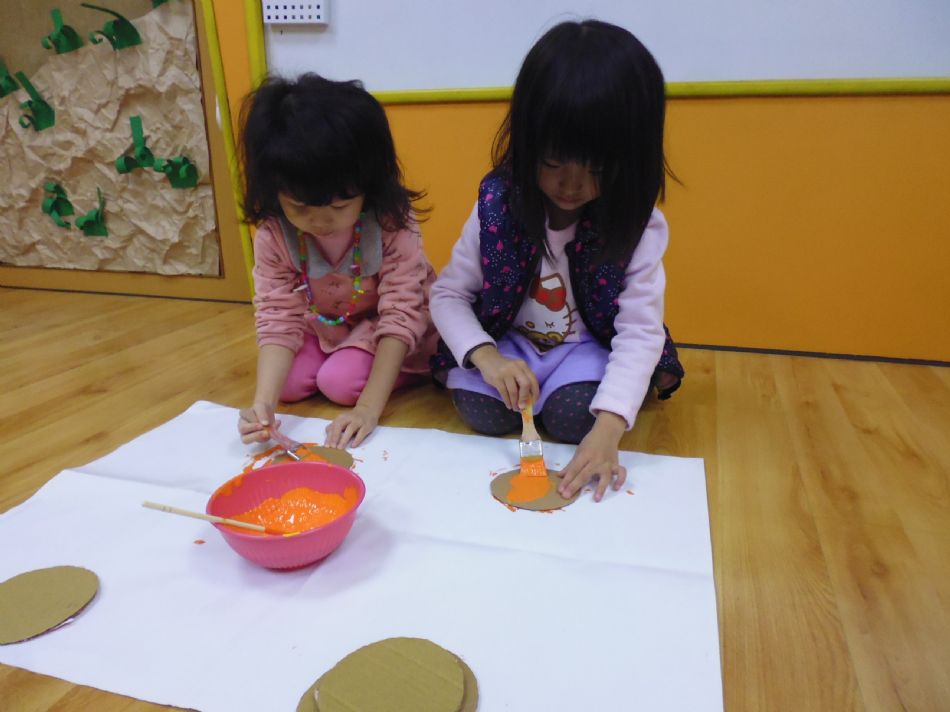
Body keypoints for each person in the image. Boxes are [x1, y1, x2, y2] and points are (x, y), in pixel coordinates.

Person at [430, 20, 684, 502]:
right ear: (525, 143)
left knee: (575, 418)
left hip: (586, 348)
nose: (572, 185)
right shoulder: (498, 204)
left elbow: (640, 331)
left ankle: (579, 402)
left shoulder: (637, 223)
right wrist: (488, 358)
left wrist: (609, 429)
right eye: (552, 162)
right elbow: (448, 295)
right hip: (511, 346)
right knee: (482, 412)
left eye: (598, 169)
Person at [237, 74, 437, 449]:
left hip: (391, 330)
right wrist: (262, 404)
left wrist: (368, 410)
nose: (320, 221)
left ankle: (408, 371)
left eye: (340, 206)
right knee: (287, 385)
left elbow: (401, 312)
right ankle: (340, 358)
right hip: (330, 325)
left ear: (369, 187)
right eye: (299, 207)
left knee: (339, 383)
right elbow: (277, 315)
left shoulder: (390, 222)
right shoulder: (275, 233)